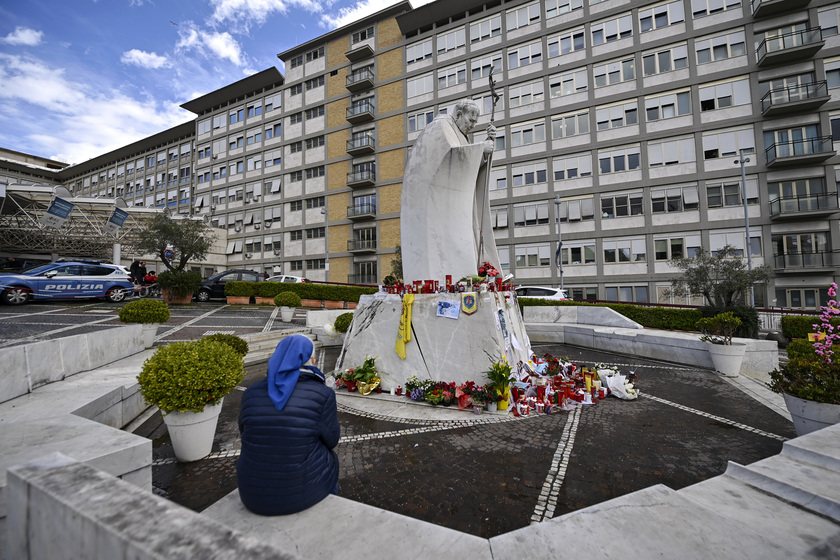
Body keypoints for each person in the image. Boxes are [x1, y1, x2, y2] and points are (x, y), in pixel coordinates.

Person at [400, 99, 501, 283]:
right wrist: (479, 149)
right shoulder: (440, 127)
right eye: (471, 120)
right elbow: (448, 157)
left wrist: (485, 147)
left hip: (451, 206)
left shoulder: (461, 135)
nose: (473, 125)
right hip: (434, 207)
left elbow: (465, 168)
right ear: (458, 114)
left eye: (475, 122)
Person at [237, 335, 340, 515]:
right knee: (330, 458)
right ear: (312, 361)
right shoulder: (323, 394)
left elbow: (244, 432)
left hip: (252, 494)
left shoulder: (251, 393)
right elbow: (332, 440)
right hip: (303, 494)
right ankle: (330, 507)